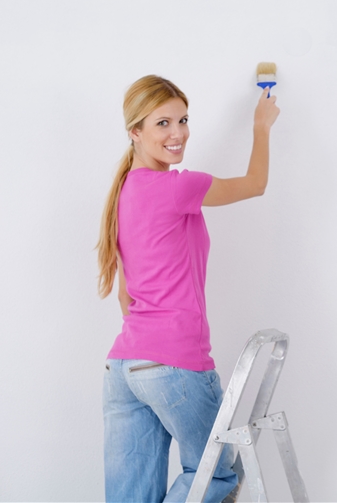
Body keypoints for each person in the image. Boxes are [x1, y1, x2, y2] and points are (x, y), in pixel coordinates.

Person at [96, 75, 279, 502]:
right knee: (212, 478)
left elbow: (127, 297)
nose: (178, 133)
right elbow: (256, 184)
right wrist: (261, 126)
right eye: (162, 123)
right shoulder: (178, 186)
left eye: (183, 119)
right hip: (173, 363)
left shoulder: (122, 193)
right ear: (134, 132)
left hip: (123, 367)